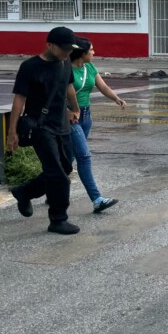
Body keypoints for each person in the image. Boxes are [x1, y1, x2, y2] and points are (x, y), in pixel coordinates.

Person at [7, 26, 82, 235]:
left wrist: (74, 107)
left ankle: (24, 192)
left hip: (62, 125)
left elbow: (68, 86)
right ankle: (58, 219)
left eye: (70, 49)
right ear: (49, 45)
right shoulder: (30, 67)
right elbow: (19, 100)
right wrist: (12, 131)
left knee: (64, 168)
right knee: (57, 174)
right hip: (40, 127)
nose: (67, 53)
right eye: (64, 48)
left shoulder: (65, 62)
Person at [69, 38, 127, 213]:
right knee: (84, 157)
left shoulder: (90, 68)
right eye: (91, 50)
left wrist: (116, 98)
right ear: (82, 53)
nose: (94, 53)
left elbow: (103, 87)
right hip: (71, 118)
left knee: (68, 159)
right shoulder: (66, 70)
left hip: (86, 117)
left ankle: (48, 189)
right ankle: (97, 200)